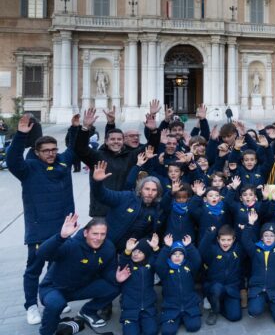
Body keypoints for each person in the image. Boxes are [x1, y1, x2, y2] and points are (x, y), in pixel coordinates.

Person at [7, 113, 77, 326]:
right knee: (34, 269)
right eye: (46, 151)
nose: (51, 154)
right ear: (37, 153)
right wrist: (20, 135)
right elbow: (12, 160)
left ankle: (52, 299)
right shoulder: (27, 169)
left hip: (62, 228)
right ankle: (31, 306)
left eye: (54, 150)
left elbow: (73, 149)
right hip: (39, 229)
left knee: (58, 266)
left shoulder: (62, 164)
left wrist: (76, 129)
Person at [37, 215, 120, 335]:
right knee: (56, 304)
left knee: (116, 286)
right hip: (54, 288)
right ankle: (46, 332)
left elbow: (108, 271)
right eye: (95, 234)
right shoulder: (71, 244)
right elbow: (41, 254)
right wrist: (61, 237)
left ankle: (87, 311)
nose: (99, 238)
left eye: (103, 234)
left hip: (81, 288)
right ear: (86, 233)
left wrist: (115, 277)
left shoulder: (108, 247)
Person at [75, 107, 160, 217]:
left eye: (119, 139)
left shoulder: (131, 156)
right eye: (112, 139)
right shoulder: (97, 156)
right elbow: (80, 149)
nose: (116, 142)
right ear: (106, 141)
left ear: (123, 141)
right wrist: (85, 128)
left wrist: (153, 131)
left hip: (123, 208)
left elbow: (151, 147)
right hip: (102, 211)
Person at [155, 235, 202, 335]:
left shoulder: (189, 266)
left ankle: (184, 317)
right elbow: (158, 264)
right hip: (171, 306)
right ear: (169, 255)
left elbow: (197, 260)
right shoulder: (165, 269)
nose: (177, 256)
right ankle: (176, 318)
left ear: (184, 256)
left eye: (180, 254)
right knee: (168, 331)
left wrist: (189, 246)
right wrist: (167, 247)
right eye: (174, 254)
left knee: (194, 326)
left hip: (189, 305)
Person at [116, 235, 161, 335]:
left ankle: (147, 321)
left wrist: (155, 248)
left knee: (151, 332)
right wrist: (127, 251)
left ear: (146, 254)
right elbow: (123, 261)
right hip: (130, 308)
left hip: (148, 308)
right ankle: (132, 323)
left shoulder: (150, 265)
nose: (135, 254)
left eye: (140, 252)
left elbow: (159, 261)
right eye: (134, 251)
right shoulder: (128, 265)